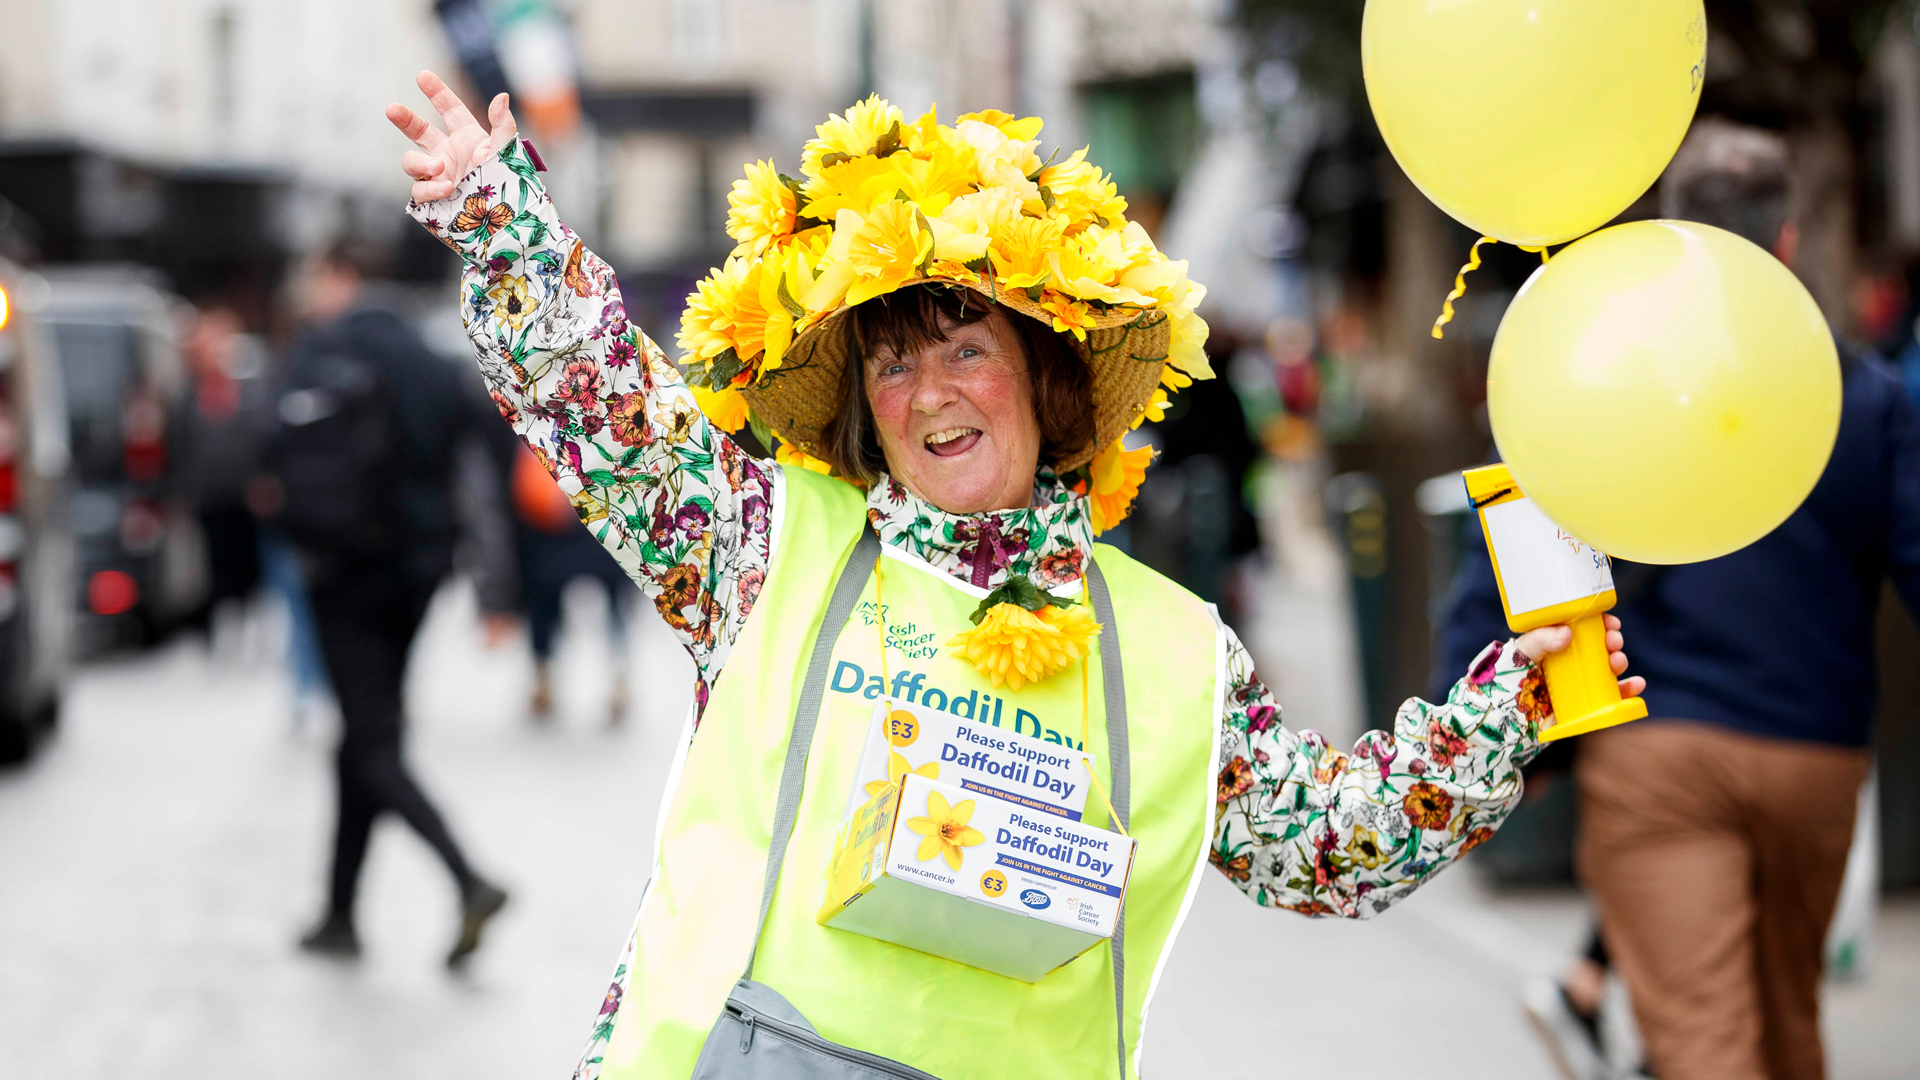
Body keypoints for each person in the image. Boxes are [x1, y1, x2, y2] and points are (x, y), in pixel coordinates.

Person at [387, 71, 1637, 1079]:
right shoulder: (765, 543)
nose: (928, 393)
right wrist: (502, 222)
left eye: (964, 348)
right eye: (889, 366)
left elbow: (1320, 846)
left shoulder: (1171, 643)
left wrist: (1501, 714)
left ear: (1045, 379)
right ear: (865, 416)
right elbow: (601, 404)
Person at [1435, 119, 1920, 1080]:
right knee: (1790, 1033)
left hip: (1656, 752)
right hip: (1814, 755)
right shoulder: (1861, 395)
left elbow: (1508, 555)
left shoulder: (1609, 379)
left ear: (1672, 236)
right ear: (1786, 240)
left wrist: (1484, 736)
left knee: (1703, 1045)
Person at [268, 238, 509, 965]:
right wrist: (496, 588)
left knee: (370, 741)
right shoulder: (434, 361)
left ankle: (468, 877)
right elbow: (481, 473)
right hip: (416, 575)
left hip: (340, 574)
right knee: (366, 734)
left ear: (344, 275)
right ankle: (340, 914)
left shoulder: (320, 349)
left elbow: (263, 445)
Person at [508, 443, 635, 725]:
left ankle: (545, 679)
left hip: (554, 525)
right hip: (595, 523)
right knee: (610, 607)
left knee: (547, 604)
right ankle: (616, 679)